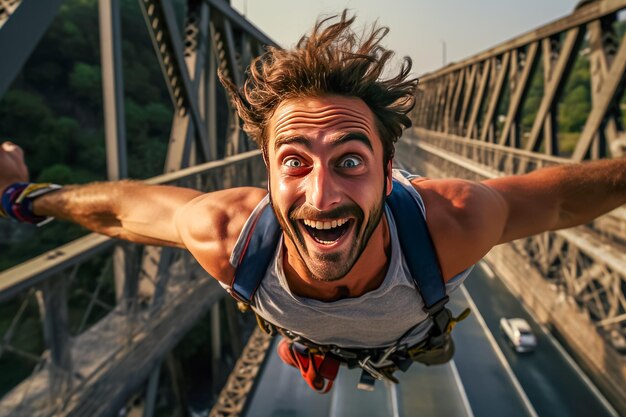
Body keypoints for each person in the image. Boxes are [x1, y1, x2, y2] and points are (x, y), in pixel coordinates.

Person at [1, 11, 625, 393]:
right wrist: (23, 197)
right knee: (319, 339)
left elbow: (564, 204)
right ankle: (310, 344)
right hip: (339, 321)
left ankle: (316, 344)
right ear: (266, 176)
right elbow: (118, 210)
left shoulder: (452, 221)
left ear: (390, 174)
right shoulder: (228, 232)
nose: (321, 194)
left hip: (399, 331)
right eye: (294, 161)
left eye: (350, 160)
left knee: (425, 345)